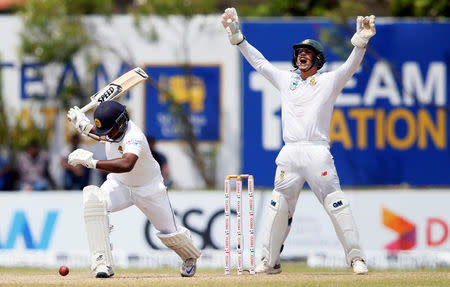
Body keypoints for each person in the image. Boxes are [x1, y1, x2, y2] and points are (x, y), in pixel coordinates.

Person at [221, 8, 375, 275]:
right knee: (278, 204)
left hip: (317, 151)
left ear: (318, 59)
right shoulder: (286, 80)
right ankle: (269, 261)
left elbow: (350, 67)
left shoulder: (328, 81)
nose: (302, 55)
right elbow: (260, 63)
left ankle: (356, 259)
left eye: (308, 53)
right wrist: (239, 39)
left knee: (336, 204)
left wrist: (361, 41)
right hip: (290, 153)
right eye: (299, 53)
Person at [66, 100, 201, 278]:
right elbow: (101, 134)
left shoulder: (134, 136)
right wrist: (82, 124)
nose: (108, 135)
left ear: (121, 124)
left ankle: (189, 256)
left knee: (171, 234)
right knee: (94, 203)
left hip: (149, 189)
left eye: (110, 131)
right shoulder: (114, 130)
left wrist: (92, 163)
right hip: (119, 184)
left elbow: (127, 163)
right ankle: (102, 262)